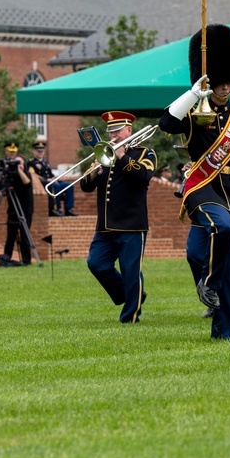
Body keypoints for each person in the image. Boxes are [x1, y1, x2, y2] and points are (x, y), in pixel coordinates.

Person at [158, 23, 230, 341]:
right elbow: (166, 123)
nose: (225, 86)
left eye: (229, 81)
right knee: (224, 229)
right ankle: (209, 283)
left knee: (229, 261)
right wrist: (193, 92)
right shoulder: (193, 110)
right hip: (202, 188)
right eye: (220, 80)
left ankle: (223, 333)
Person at [79, 111, 156, 323]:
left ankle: (130, 317)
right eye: (110, 131)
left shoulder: (144, 153)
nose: (113, 134)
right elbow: (85, 187)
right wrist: (95, 169)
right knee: (96, 264)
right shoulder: (103, 155)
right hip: (105, 226)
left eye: (117, 130)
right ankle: (132, 295)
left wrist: (121, 156)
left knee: (131, 272)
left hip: (132, 225)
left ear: (129, 130)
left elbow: (143, 177)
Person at [0, 142, 34, 266]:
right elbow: (3, 186)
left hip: (25, 209)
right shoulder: (11, 176)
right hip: (13, 209)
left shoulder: (26, 174)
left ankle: (26, 260)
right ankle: (6, 257)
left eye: (19, 163)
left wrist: (19, 170)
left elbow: (27, 182)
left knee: (24, 235)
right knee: (11, 234)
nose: (17, 165)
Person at [30, 141, 77, 217]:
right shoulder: (31, 162)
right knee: (55, 186)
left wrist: (55, 178)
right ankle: (56, 208)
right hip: (44, 183)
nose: (40, 153)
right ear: (34, 151)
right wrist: (47, 179)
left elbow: (51, 174)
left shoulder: (45, 163)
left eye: (42, 151)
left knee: (69, 185)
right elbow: (33, 175)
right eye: (38, 151)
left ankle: (68, 209)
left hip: (51, 181)